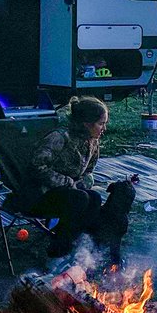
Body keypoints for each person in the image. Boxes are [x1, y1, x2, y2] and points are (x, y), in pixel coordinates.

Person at [25, 96, 135, 263]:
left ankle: (78, 244)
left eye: (104, 123)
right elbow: (37, 166)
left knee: (95, 198)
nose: (104, 128)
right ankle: (59, 249)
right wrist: (68, 183)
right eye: (100, 123)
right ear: (86, 123)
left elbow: (88, 171)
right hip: (39, 193)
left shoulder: (92, 142)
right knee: (81, 198)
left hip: (67, 194)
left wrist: (80, 183)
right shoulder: (60, 137)